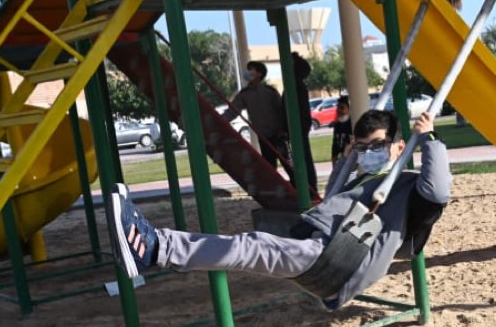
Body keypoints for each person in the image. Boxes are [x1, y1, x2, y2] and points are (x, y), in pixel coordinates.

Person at [107, 110, 450, 309]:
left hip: (341, 259)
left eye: (376, 146)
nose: (367, 153)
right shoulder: (363, 178)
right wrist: (347, 161)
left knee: (250, 246)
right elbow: (329, 200)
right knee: (251, 243)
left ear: (399, 147)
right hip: (322, 246)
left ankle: (154, 248)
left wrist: (430, 139)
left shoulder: (404, 185)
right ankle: (155, 248)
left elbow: (437, 191)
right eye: (361, 147)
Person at [224, 61, 288, 170]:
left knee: (289, 165)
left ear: (259, 74)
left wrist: (284, 130)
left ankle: (296, 181)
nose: (247, 72)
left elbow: (282, 111)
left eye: (251, 69)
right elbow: (232, 111)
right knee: (270, 169)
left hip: (279, 135)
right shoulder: (245, 94)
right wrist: (221, 120)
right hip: (263, 137)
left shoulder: (270, 91)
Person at [290, 51, 319, 198]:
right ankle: (308, 188)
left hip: (298, 130)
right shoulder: (298, 86)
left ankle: (309, 189)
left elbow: (299, 110)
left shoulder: (296, 88)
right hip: (300, 129)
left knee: (303, 160)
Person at [330, 95, 352, 166]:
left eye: (342, 108)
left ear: (349, 109)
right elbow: (335, 144)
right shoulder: (337, 125)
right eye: (338, 107)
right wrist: (334, 158)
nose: (338, 110)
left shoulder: (353, 124)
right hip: (342, 159)